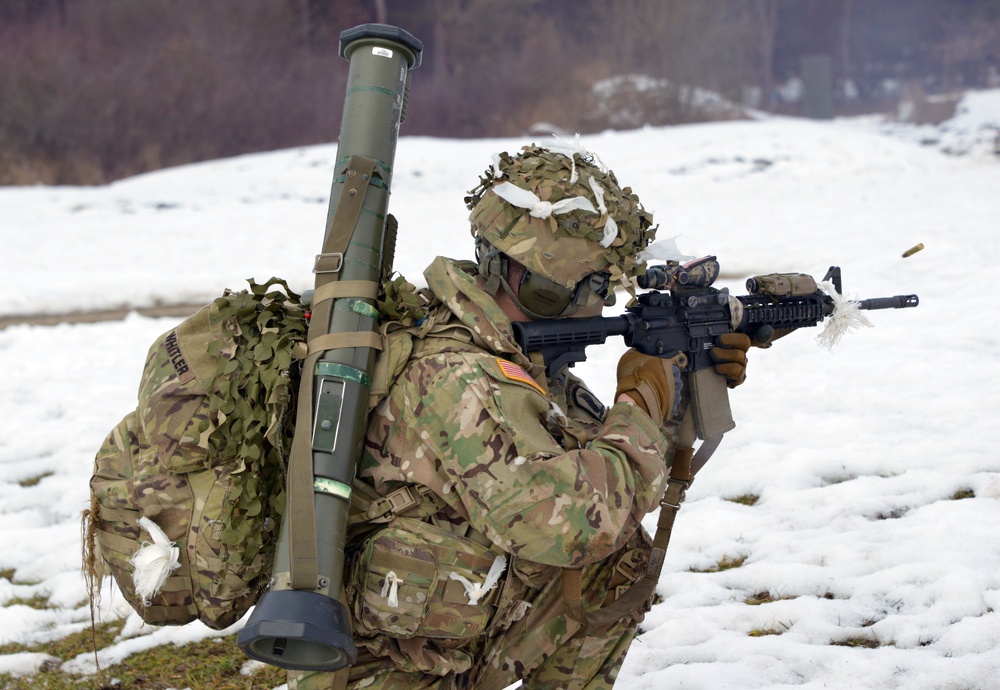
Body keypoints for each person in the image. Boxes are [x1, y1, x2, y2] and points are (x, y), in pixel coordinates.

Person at [289, 143, 751, 690]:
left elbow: (606, 472)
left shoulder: (495, 348)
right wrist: (641, 402)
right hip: (382, 671)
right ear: (542, 287)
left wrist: (683, 383)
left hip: (437, 635)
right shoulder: (461, 374)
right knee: (602, 546)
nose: (601, 308)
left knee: (618, 562)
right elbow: (575, 523)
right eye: (594, 288)